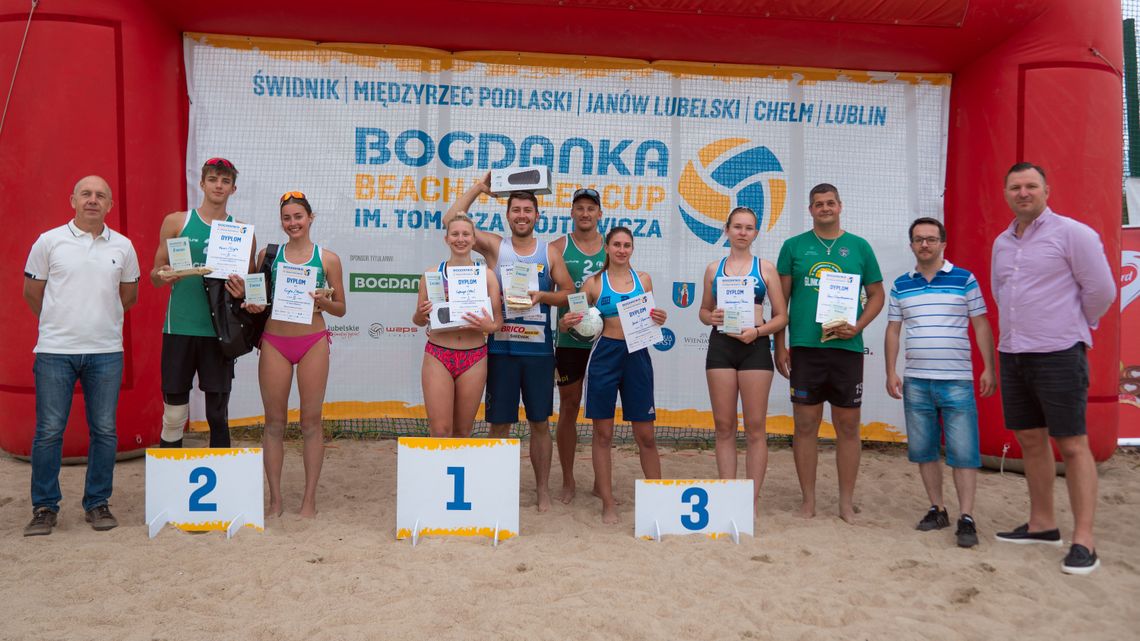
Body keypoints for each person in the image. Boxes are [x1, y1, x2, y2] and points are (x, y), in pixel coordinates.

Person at [991, 163, 1115, 574]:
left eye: (1030, 186)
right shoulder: (1002, 242)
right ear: (1006, 193)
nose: (1022, 193)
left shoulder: (1072, 234)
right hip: (1014, 352)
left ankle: (1084, 539)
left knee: (1073, 443)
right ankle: (1043, 523)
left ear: (1046, 189)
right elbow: (1001, 293)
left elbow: (1101, 290)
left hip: (1059, 351)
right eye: (1015, 187)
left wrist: (1072, 325)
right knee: (1029, 438)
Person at [443, 173, 573, 513]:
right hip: (500, 348)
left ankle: (542, 491)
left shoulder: (550, 253)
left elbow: (570, 294)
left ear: (537, 216)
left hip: (539, 351)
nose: (522, 215)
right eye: (516, 210)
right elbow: (452, 220)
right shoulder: (495, 246)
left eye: (528, 210)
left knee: (540, 423)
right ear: (508, 214)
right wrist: (478, 189)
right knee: (498, 423)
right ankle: (493, 488)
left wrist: (543, 295)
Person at [22, 176, 140, 536]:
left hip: (106, 352)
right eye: (86, 194)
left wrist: (95, 323)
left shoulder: (123, 246)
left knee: (104, 431)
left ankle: (97, 503)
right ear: (72, 199)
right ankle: (44, 507)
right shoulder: (48, 241)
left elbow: (128, 296)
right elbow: (32, 293)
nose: (93, 200)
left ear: (110, 205)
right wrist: (62, 325)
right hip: (55, 352)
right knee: (48, 432)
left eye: (100, 195)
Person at [774, 183, 884, 523]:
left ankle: (845, 503)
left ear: (840, 206)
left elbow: (877, 295)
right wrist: (780, 345)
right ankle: (808, 501)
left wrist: (859, 325)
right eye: (818, 204)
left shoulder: (859, 247)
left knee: (848, 426)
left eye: (830, 203)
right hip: (806, 348)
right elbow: (782, 303)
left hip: (846, 347)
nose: (825, 208)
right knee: (805, 425)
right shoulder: (793, 247)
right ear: (810, 210)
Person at [884, 217, 996, 548]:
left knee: (963, 452)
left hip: (957, 379)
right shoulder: (901, 284)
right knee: (924, 451)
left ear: (943, 244)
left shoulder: (964, 279)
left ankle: (966, 516)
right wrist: (891, 371)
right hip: (917, 380)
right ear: (911, 245)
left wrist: (988, 367)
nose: (925, 245)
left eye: (931, 239)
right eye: (919, 240)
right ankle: (938, 508)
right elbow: (893, 329)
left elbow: (981, 324)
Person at [562, 226, 666, 524]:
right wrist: (569, 322)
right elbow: (576, 322)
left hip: (638, 357)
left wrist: (660, 317)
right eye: (616, 244)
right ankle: (608, 502)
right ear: (607, 247)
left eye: (627, 245)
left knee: (645, 435)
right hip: (606, 356)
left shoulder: (643, 280)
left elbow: (652, 318)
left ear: (632, 248)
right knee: (603, 434)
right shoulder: (594, 283)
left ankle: (658, 500)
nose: (622, 249)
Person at [252, 192, 345, 518]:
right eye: (287, 218)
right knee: (274, 423)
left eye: (298, 217)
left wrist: (322, 301)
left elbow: (341, 309)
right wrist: (250, 302)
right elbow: (255, 299)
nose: (293, 223)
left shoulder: (328, 258)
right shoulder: (268, 255)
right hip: (275, 342)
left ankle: (309, 500)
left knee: (310, 422)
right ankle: (275, 500)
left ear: (310, 218)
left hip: (312, 342)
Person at [151, 158, 254, 448]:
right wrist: (163, 275)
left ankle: (222, 484)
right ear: (202, 183)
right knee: (173, 414)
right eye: (213, 179)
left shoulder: (242, 231)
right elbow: (154, 276)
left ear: (233, 188)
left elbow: (250, 291)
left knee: (217, 415)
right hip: (179, 327)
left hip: (219, 332)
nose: (218, 185)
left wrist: (243, 290)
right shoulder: (177, 221)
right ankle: (171, 479)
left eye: (225, 181)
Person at [698, 207, 788, 513]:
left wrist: (758, 332)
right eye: (737, 227)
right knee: (723, 427)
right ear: (726, 230)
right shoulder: (714, 269)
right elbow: (703, 312)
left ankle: (748, 503)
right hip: (721, 347)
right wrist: (711, 316)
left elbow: (782, 316)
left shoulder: (766, 269)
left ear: (756, 233)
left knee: (754, 428)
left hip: (755, 347)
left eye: (748, 228)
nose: (742, 232)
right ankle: (727, 496)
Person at [412, 214, 502, 438]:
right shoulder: (432, 275)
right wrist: (422, 315)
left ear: (473, 240)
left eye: (465, 234)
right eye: (455, 234)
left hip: (474, 357)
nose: (460, 239)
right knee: (440, 430)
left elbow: (498, 322)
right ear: (446, 239)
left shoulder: (487, 276)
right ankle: (436, 474)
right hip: (438, 354)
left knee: (463, 431)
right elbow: (417, 319)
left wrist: (487, 326)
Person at [549, 188, 606, 503]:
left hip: (605, 340)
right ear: (571, 212)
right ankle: (568, 480)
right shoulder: (558, 247)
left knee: (601, 412)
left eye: (591, 209)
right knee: (569, 408)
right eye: (580, 208)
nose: (585, 213)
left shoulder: (612, 249)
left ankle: (601, 480)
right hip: (570, 339)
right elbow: (547, 292)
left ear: (600, 214)